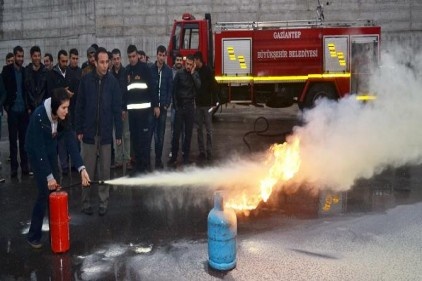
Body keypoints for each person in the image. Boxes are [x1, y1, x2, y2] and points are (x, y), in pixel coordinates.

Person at [25, 88, 91, 249]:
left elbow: (71, 143)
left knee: (55, 189)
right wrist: (48, 177)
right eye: (64, 108)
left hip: (50, 150)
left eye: (68, 107)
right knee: (44, 192)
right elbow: (38, 149)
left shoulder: (63, 118)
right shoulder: (39, 116)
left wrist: (82, 168)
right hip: (35, 152)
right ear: (55, 106)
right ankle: (33, 235)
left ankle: (56, 231)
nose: (66, 111)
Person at [76, 47, 122, 216]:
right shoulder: (86, 80)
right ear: (94, 62)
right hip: (88, 134)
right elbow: (79, 105)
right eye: (101, 62)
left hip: (105, 135)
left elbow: (117, 109)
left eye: (106, 62)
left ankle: (103, 202)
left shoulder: (113, 82)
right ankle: (85, 202)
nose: (105, 66)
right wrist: (79, 129)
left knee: (104, 171)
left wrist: (118, 134)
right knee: (87, 170)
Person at [125, 44, 157, 174]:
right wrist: (123, 108)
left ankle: (145, 167)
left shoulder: (145, 68)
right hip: (132, 113)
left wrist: (156, 105)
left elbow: (152, 88)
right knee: (135, 140)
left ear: (137, 55)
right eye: (129, 57)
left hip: (144, 113)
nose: (132, 59)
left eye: (133, 56)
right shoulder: (127, 70)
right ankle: (138, 166)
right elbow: (125, 91)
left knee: (144, 141)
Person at [2, 45, 31, 178]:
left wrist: (28, 106)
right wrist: (7, 106)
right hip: (13, 110)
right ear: (14, 57)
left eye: (22, 56)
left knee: (24, 140)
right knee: (13, 140)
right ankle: (14, 167)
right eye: (18, 56)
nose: (20, 58)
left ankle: (25, 166)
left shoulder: (25, 71)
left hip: (23, 110)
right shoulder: (6, 70)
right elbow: (3, 90)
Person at [168, 54, 200, 167]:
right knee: (176, 134)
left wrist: (192, 75)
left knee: (188, 134)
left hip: (190, 107)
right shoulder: (179, 74)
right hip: (180, 107)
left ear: (193, 65)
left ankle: (186, 157)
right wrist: (176, 106)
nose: (188, 66)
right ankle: (174, 157)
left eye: (191, 65)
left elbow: (199, 87)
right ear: (185, 63)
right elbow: (174, 90)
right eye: (187, 64)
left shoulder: (195, 74)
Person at [47, 50, 74, 175]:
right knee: (61, 140)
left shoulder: (70, 73)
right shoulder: (52, 74)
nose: (65, 63)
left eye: (66, 61)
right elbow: (51, 92)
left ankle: (74, 164)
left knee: (71, 138)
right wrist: (63, 92)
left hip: (69, 110)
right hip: (59, 111)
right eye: (63, 61)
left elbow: (75, 87)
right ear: (58, 60)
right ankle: (63, 166)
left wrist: (70, 94)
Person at [149, 45, 173, 170]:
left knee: (161, 134)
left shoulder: (168, 71)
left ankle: (158, 158)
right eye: (160, 55)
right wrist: (154, 106)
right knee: (151, 134)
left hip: (163, 108)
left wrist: (166, 104)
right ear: (156, 55)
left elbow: (170, 89)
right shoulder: (151, 69)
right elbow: (150, 89)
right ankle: (148, 158)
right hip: (152, 108)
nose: (162, 57)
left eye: (164, 55)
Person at [193, 51, 218, 163]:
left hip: (207, 105)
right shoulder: (195, 71)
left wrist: (215, 101)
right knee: (199, 129)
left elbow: (213, 86)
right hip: (198, 105)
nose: (194, 62)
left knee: (208, 129)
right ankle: (202, 152)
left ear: (199, 60)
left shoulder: (207, 71)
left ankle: (209, 152)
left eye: (195, 60)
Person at [111, 48, 130, 170]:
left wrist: (124, 108)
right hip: (114, 110)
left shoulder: (126, 72)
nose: (116, 61)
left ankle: (127, 160)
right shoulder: (109, 74)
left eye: (118, 58)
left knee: (126, 135)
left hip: (124, 109)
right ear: (111, 60)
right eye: (114, 59)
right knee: (116, 136)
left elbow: (128, 92)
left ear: (121, 59)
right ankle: (118, 160)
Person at [25, 45, 49, 113]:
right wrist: (27, 107)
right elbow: (25, 91)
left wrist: (45, 106)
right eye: (35, 56)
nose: (37, 58)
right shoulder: (27, 71)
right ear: (31, 57)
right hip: (30, 109)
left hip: (43, 108)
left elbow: (47, 91)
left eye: (39, 55)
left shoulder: (45, 72)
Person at [169, 53, 184, 159]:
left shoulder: (185, 72)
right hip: (174, 106)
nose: (179, 62)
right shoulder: (170, 72)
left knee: (183, 130)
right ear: (174, 61)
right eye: (177, 60)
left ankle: (183, 150)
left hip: (184, 106)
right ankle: (173, 150)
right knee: (174, 130)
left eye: (180, 60)